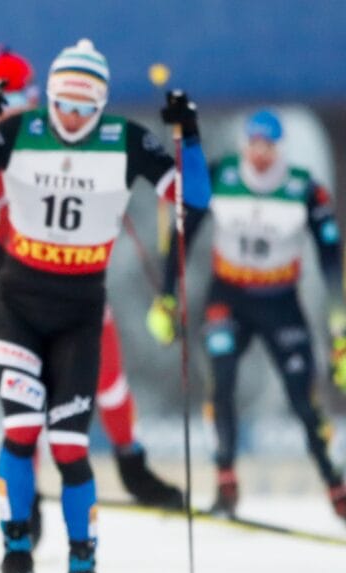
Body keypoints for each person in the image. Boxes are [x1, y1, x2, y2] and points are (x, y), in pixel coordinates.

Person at [0, 38, 211, 573]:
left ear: (101, 105)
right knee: (20, 432)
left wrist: (189, 138)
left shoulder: (124, 139)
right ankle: (16, 561)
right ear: (50, 98)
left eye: (85, 107)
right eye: (63, 103)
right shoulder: (20, 132)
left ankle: (84, 572)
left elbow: (195, 200)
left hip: (81, 310)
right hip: (19, 304)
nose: (71, 117)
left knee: (69, 445)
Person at [147, 109, 346, 521]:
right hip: (230, 296)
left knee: (302, 398)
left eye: (268, 146)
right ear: (243, 146)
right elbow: (184, 235)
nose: (260, 154)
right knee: (220, 383)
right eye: (253, 145)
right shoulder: (221, 176)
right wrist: (167, 296)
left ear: (280, 150)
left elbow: (330, 259)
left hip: (280, 299)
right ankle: (225, 482)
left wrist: (338, 326)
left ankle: (334, 483)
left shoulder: (303, 188)